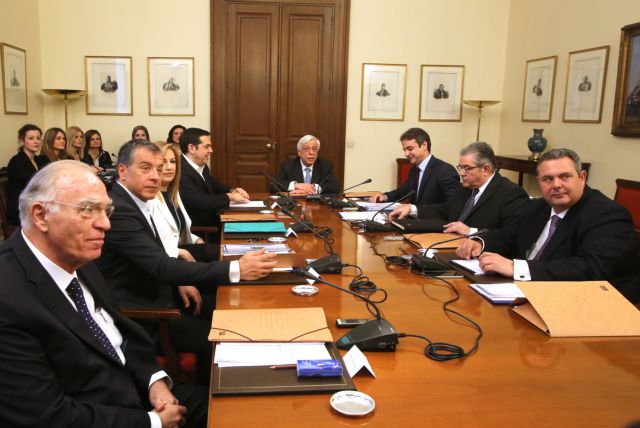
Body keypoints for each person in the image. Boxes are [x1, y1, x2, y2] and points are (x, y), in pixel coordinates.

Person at [0, 160, 207, 427]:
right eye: (88, 210)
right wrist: (152, 422)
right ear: (40, 215)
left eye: (106, 210)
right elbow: (45, 416)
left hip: (141, 392)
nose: (105, 224)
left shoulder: (77, 256)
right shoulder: (8, 297)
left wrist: (154, 380)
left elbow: (120, 333)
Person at [96, 139, 276, 384]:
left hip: (165, 292)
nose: (155, 176)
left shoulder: (138, 201)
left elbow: (158, 258)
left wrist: (182, 279)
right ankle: (209, 396)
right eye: (146, 168)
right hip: (148, 316)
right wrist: (236, 268)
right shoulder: (120, 211)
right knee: (227, 336)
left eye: (159, 169)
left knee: (238, 308)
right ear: (122, 171)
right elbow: (161, 266)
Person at [456, 148, 640, 303]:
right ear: (539, 181)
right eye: (548, 179)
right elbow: (509, 235)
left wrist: (517, 268)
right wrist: (480, 243)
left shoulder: (608, 214)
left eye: (565, 176)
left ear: (582, 177)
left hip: (586, 302)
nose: (556, 185)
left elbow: (590, 268)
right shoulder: (537, 207)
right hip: (523, 292)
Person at [389, 142, 529, 235]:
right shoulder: (465, 189)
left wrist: (470, 231)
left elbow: (511, 235)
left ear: (486, 169)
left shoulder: (510, 193)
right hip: (449, 245)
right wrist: (412, 208)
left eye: (467, 168)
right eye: (460, 167)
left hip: (482, 256)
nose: (461, 173)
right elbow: (445, 210)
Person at [178, 127, 250, 229]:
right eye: (207, 147)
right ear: (192, 148)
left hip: (214, 217)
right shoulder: (180, 171)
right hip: (202, 229)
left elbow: (212, 183)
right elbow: (199, 201)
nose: (211, 150)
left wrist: (232, 190)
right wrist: (230, 196)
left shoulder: (201, 164)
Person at [369, 127, 460, 207]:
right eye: (404, 150)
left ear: (424, 145)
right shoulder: (415, 169)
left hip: (432, 220)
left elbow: (452, 206)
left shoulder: (445, 171)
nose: (406, 154)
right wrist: (384, 196)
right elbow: (403, 191)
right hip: (413, 219)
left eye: (410, 149)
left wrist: (414, 209)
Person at [6, 124, 49, 227]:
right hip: (21, 209)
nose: (36, 141)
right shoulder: (16, 161)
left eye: (38, 138)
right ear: (22, 141)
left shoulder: (40, 159)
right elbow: (35, 183)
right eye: (31, 138)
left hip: (37, 203)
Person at [271, 134, 340, 195]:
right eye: (306, 149)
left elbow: (335, 187)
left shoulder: (325, 165)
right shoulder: (288, 165)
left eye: (314, 149)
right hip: (295, 203)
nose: (311, 152)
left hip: (316, 203)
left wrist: (313, 188)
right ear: (299, 152)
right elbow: (273, 186)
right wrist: (296, 185)